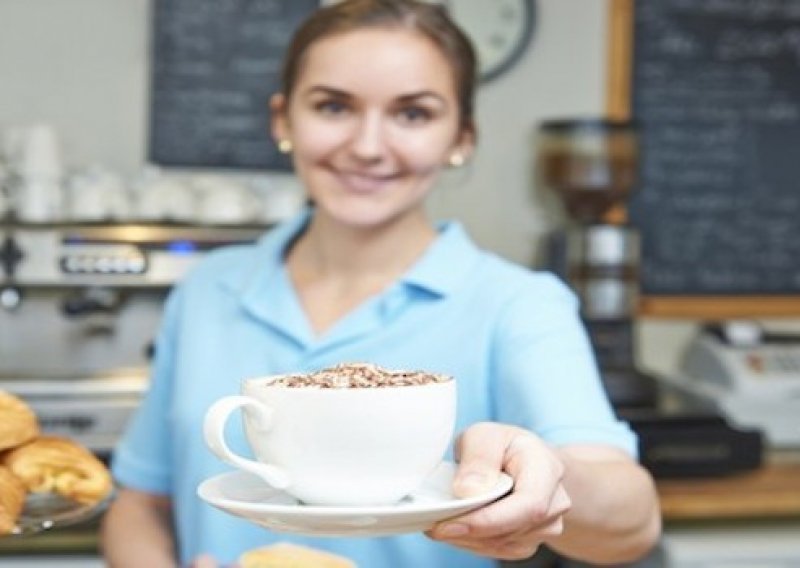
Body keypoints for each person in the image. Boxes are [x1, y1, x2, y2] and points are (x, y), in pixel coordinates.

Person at [101, 1, 661, 566]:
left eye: (413, 114)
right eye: (333, 106)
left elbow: (631, 521)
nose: (368, 146)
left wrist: (546, 476)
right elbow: (142, 501)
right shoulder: (206, 291)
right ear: (283, 121)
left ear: (460, 137)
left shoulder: (517, 305)